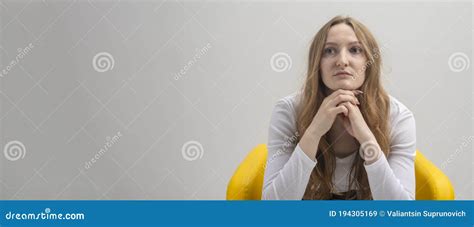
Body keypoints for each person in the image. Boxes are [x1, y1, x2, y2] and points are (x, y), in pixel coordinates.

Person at [262, 16, 416, 200]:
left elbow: (401, 213)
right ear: (317, 63)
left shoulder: (398, 116)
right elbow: (274, 208)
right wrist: (313, 132)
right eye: (329, 50)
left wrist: (367, 138)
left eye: (355, 50)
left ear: (369, 62)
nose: (342, 61)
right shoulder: (288, 111)